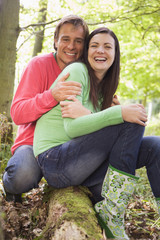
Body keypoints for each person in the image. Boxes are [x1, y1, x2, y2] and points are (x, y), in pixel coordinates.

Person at [33, 27, 148, 239]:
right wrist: (118, 113)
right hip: (55, 161)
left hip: (82, 163)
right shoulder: (77, 71)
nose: (100, 51)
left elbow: (98, 131)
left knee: (154, 146)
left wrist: (108, 113)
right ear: (87, 52)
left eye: (107, 46)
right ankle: (112, 211)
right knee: (129, 118)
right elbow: (73, 128)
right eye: (94, 46)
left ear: (115, 53)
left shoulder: (105, 86)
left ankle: (107, 203)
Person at [2, 15, 90, 202]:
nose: (71, 46)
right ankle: (10, 187)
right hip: (32, 144)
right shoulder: (38, 65)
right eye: (65, 39)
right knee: (21, 176)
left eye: (78, 41)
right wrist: (52, 95)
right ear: (56, 41)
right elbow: (17, 113)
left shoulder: (89, 72)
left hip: (70, 144)